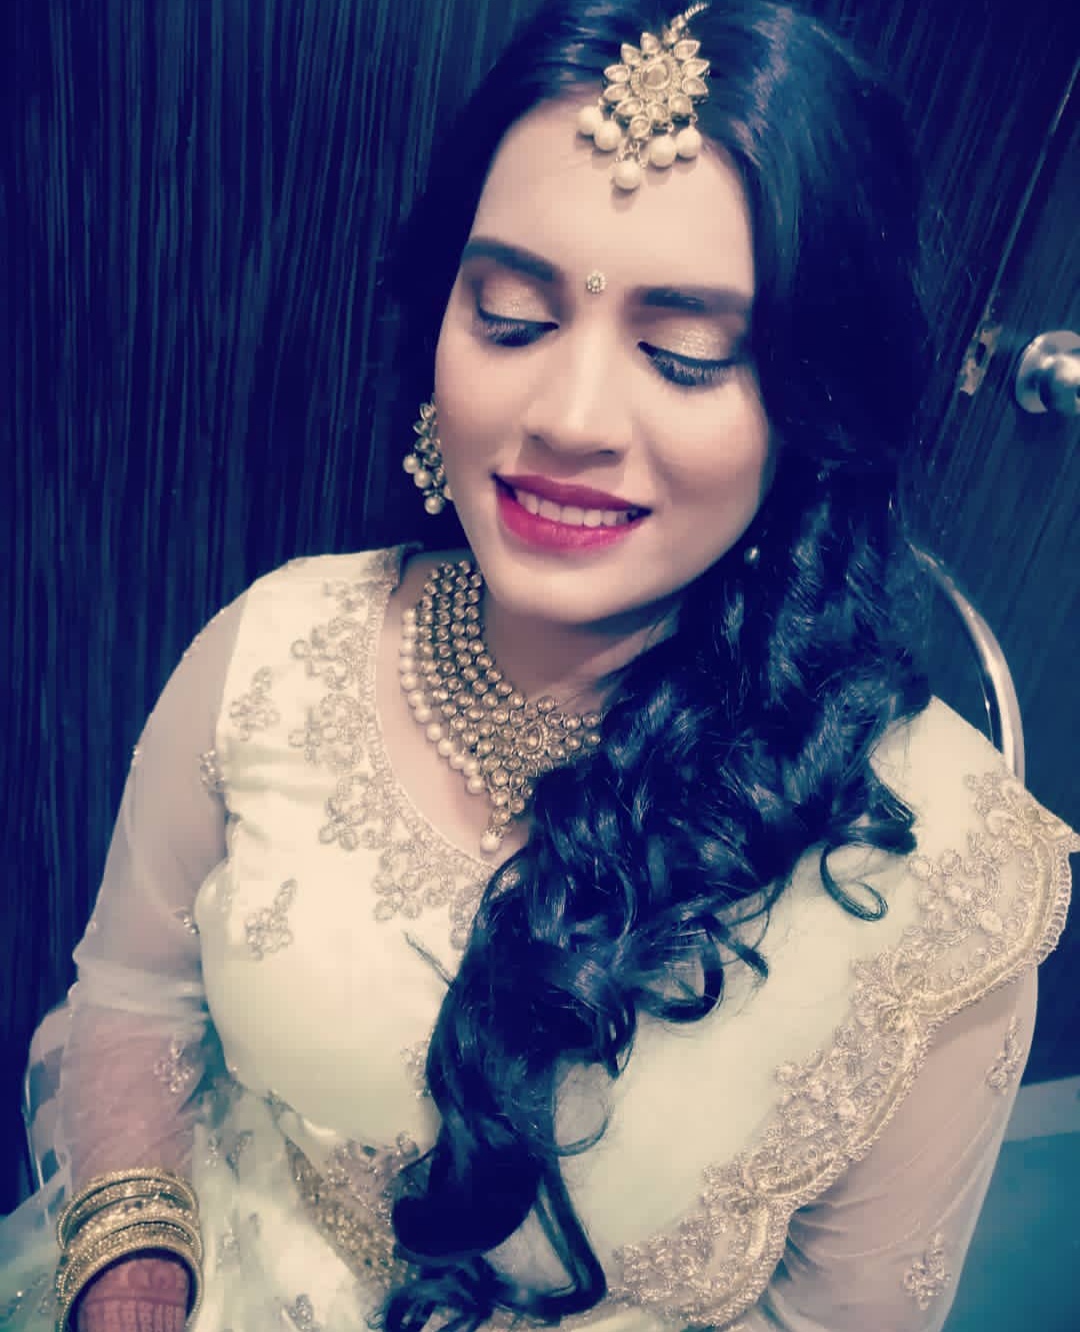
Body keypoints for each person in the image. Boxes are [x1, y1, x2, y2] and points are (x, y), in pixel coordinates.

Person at [2, 1, 1076, 1329]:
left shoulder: (948, 883)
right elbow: (132, 1006)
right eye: (510, 317)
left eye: (685, 356)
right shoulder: (277, 648)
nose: (567, 419)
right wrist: (134, 1284)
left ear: (814, 409)